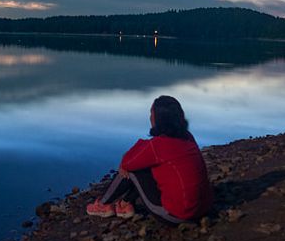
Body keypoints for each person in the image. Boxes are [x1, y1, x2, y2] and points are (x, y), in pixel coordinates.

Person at [86, 95, 213, 224]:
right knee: (147, 164)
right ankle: (125, 203)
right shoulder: (187, 136)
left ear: (159, 119)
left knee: (132, 169)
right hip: (202, 209)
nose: (150, 117)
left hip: (177, 215)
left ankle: (102, 204)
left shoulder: (158, 145)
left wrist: (129, 159)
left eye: (151, 114)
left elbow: (127, 163)